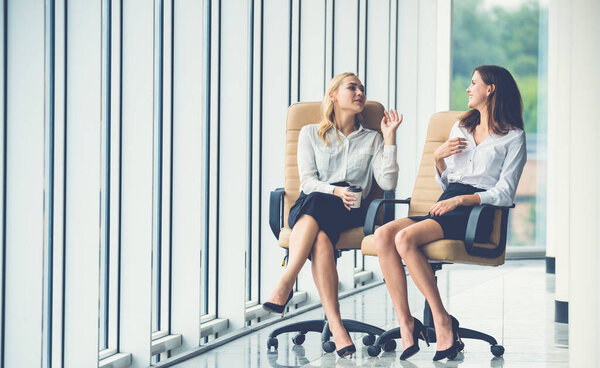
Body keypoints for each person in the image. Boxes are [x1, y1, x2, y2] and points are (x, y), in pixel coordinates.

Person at [373, 65, 527, 361]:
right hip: (448, 199)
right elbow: (447, 180)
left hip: (476, 212)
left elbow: (505, 193)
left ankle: (442, 320)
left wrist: (462, 201)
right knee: (383, 235)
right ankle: (407, 323)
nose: (468, 89)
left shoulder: (513, 137)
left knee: (404, 238)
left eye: (473, 84)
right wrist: (437, 158)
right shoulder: (462, 126)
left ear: (490, 89)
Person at [262, 72, 401, 357]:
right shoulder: (310, 133)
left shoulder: (373, 139)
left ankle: (287, 280)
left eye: (362, 88)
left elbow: (387, 184)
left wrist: (389, 139)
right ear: (333, 95)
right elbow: (307, 182)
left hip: (351, 209)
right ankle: (337, 327)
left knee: (319, 210)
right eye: (353, 87)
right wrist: (334, 191)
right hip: (314, 203)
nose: (360, 92)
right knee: (321, 237)